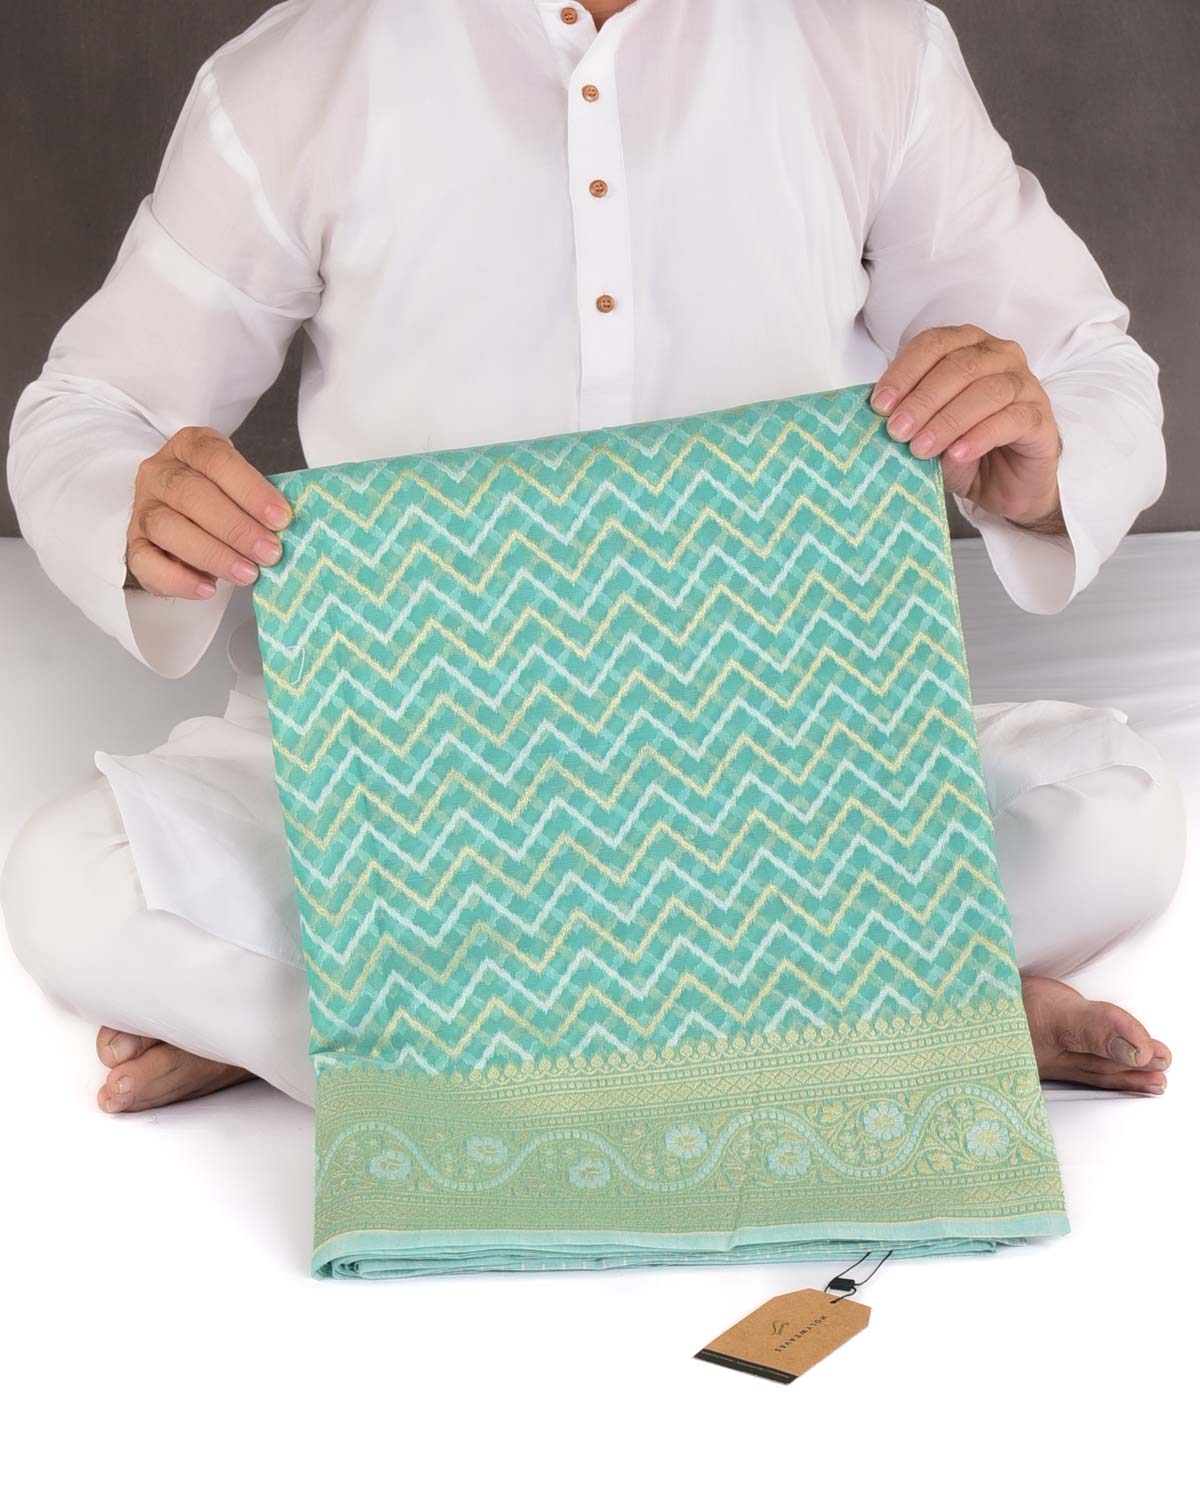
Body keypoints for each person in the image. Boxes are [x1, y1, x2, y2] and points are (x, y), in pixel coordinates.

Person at [2, 0, 1185, 1114]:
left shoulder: (867, 43)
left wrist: (1038, 460)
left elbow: (1089, 367)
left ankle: (372, 1047)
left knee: (1119, 812)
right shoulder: (303, 69)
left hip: (790, 771)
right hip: (401, 769)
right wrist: (138, 509)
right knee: (69, 880)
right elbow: (89, 410)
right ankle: (919, 1012)